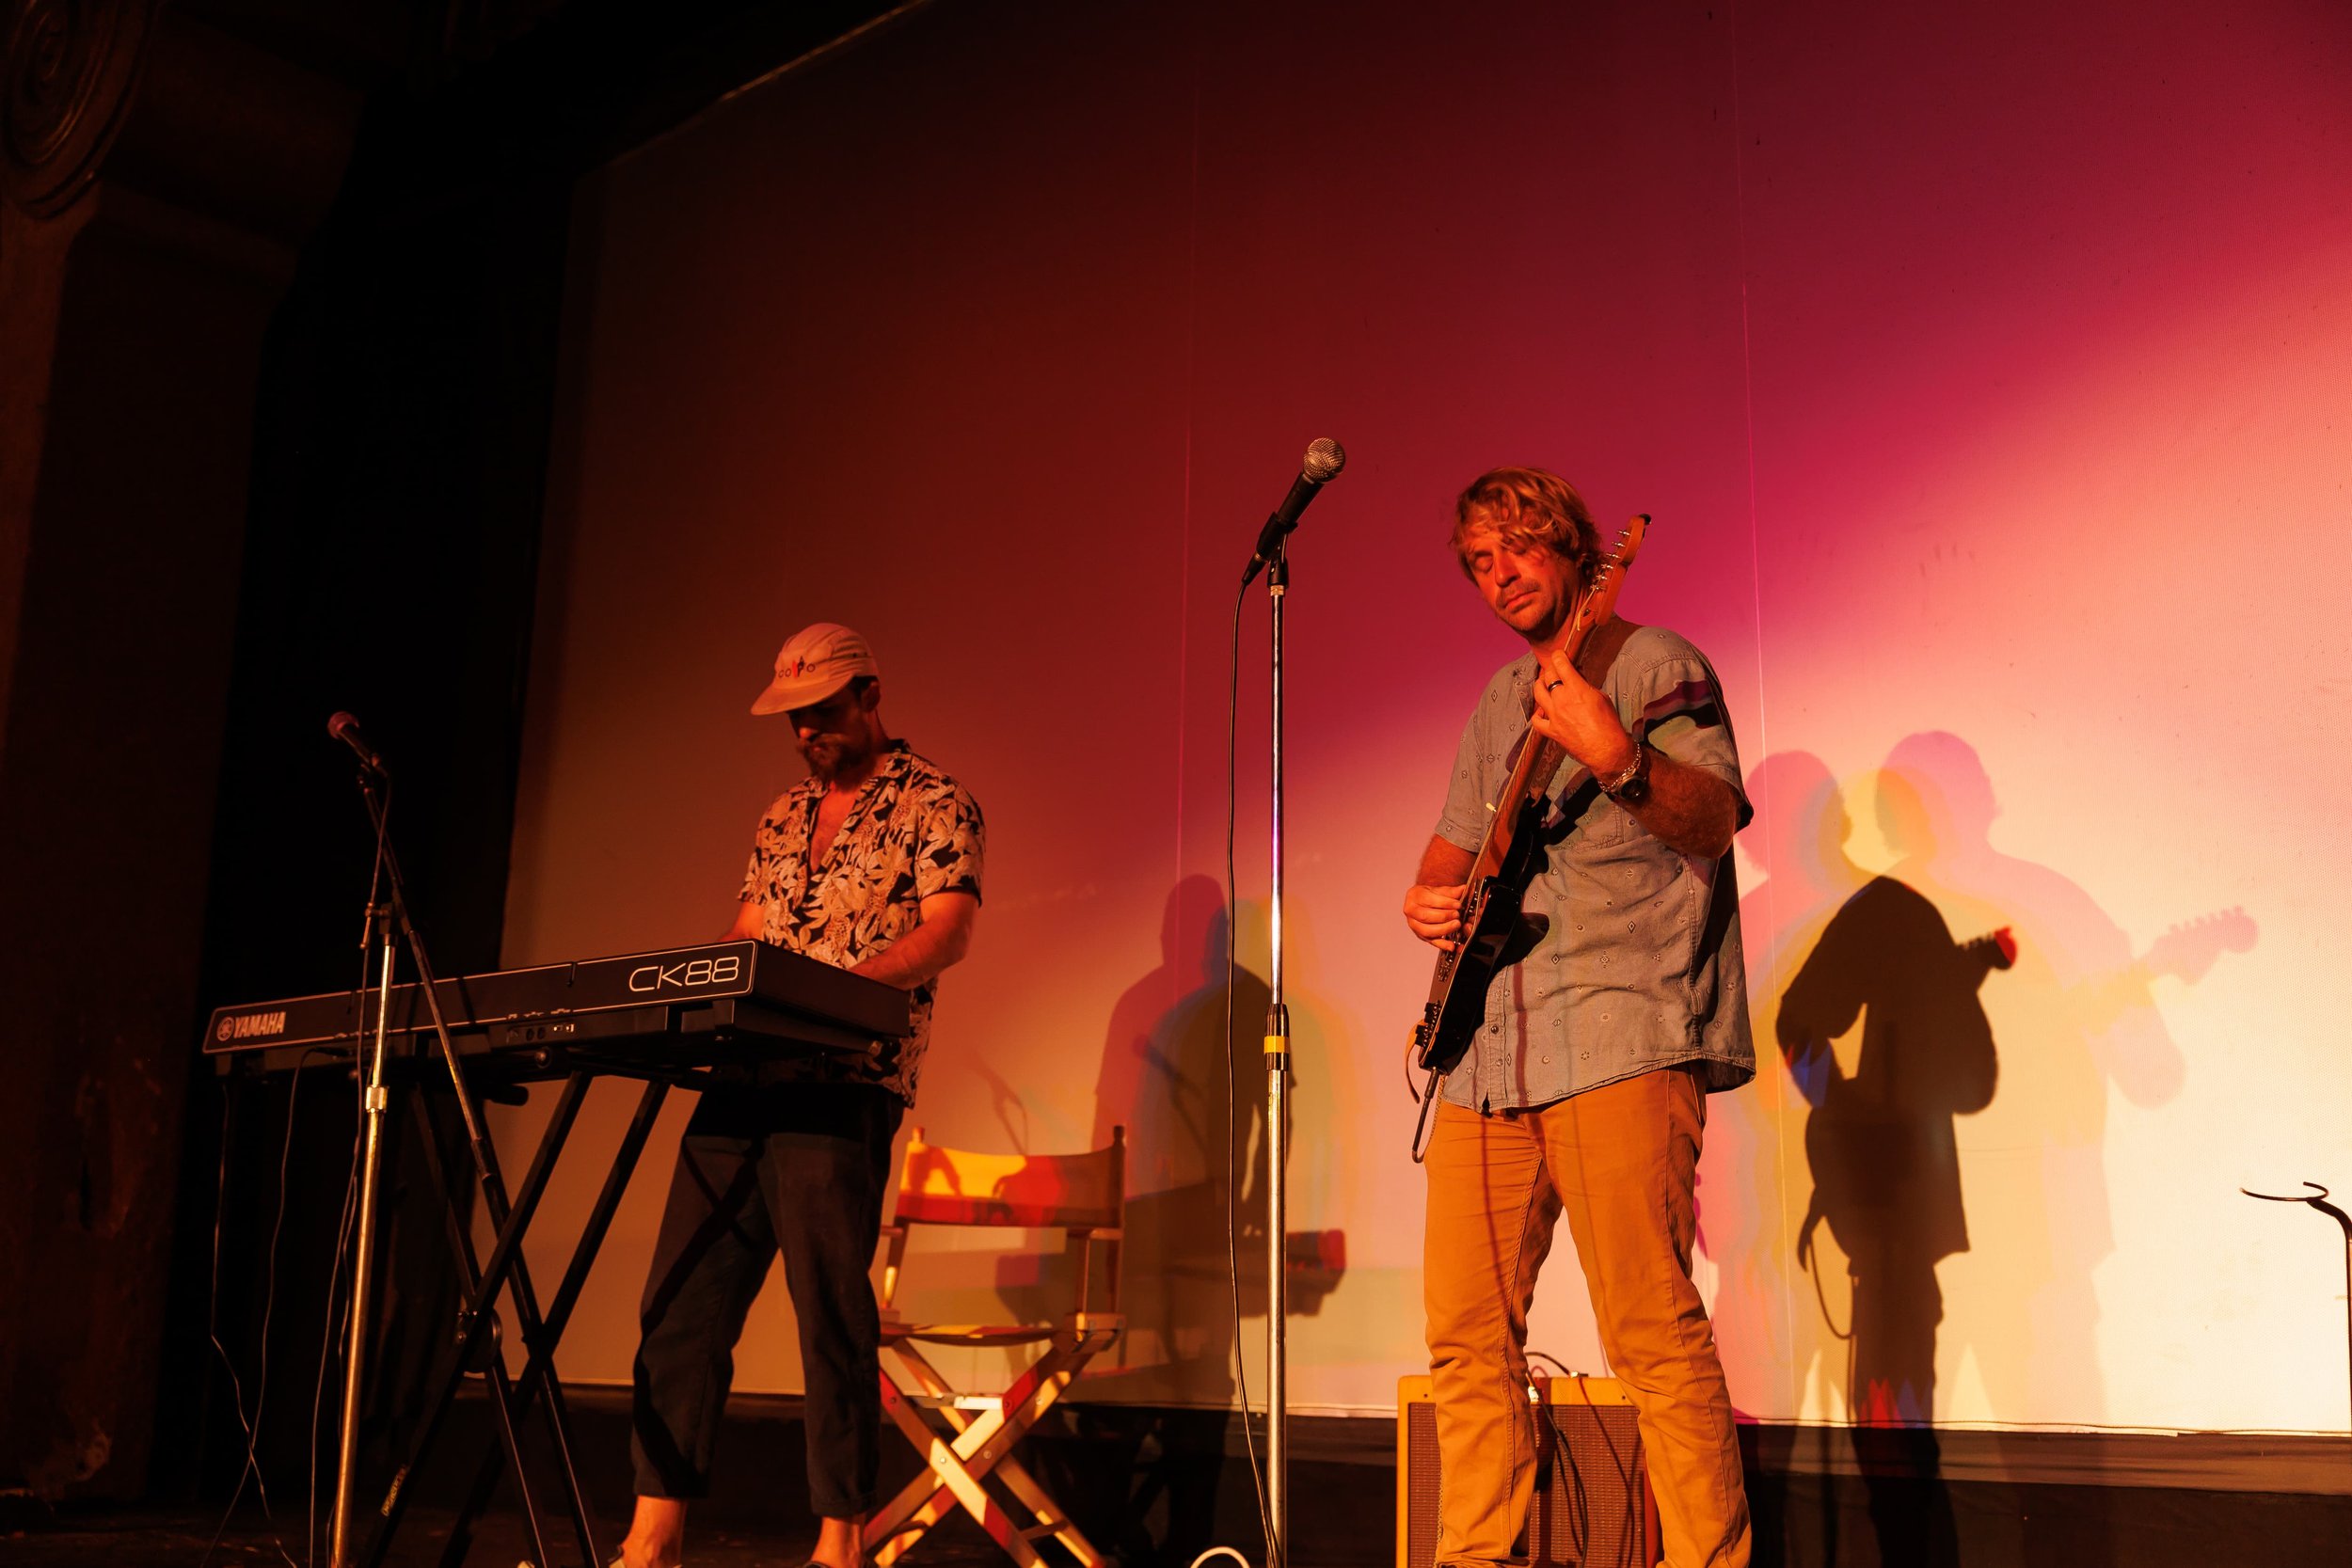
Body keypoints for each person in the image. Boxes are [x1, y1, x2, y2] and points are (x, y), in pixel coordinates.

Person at [1400, 467, 1755, 1568]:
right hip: (1486, 1056)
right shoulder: (1499, 699)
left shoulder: (1657, 663)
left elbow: (1712, 817)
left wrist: (1617, 756)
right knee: (1465, 1337)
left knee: (1651, 1331)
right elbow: (1450, 855)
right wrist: (1425, 897)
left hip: (1621, 1034)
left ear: (1570, 547)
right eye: (1476, 560)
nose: (1496, 574)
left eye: (1513, 547)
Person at [616, 622, 984, 1568]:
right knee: (679, 1304)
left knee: (828, 1308)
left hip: (842, 1083)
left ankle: (839, 1539)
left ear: (868, 694)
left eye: (821, 713)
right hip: (744, 1077)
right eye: (793, 721)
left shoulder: (935, 799)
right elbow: (746, 929)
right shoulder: (782, 813)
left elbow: (946, 931)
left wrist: (842, 990)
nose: (807, 733)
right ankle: (652, 1535)